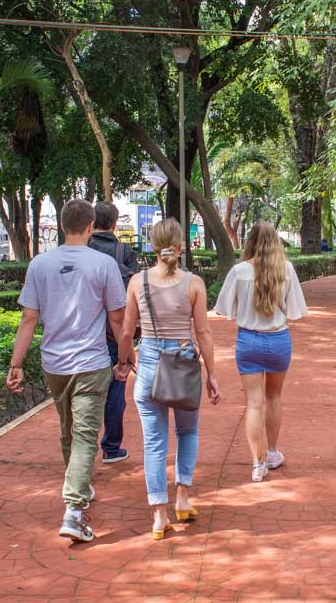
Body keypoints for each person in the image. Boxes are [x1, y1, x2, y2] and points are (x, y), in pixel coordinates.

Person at [6, 200, 130, 543]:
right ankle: (74, 511)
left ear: (63, 226)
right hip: (91, 363)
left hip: (54, 364)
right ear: (91, 226)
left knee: (70, 432)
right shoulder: (103, 264)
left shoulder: (40, 264)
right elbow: (117, 319)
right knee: (84, 436)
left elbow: (29, 318)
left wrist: (16, 364)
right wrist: (125, 358)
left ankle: (80, 488)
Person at [118, 218, 221, 539]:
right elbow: (203, 332)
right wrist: (212, 374)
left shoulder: (137, 282)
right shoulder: (194, 283)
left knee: (154, 443)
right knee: (188, 433)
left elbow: (126, 330)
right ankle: (182, 498)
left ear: (152, 245)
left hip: (148, 362)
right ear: (181, 246)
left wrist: (125, 361)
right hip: (183, 362)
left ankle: (159, 517)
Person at [215, 221, 308, 482]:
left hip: (248, 342)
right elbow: (295, 311)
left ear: (250, 241)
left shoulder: (239, 271)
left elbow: (224, 309)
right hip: (279, 340)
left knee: (253, 403)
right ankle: (273, 451)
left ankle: (258, 464)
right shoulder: (286, 269)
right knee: (274, 397)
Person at [88, 201, 140, 465]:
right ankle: (111, 447)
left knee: (83, 395)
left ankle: (81, 449)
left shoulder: (82, 250)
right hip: (114, 334)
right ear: (114, 223)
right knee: (115, 390)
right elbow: (135, 291)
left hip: (84, 333)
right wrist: (129, 349)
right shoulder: (123, 251)